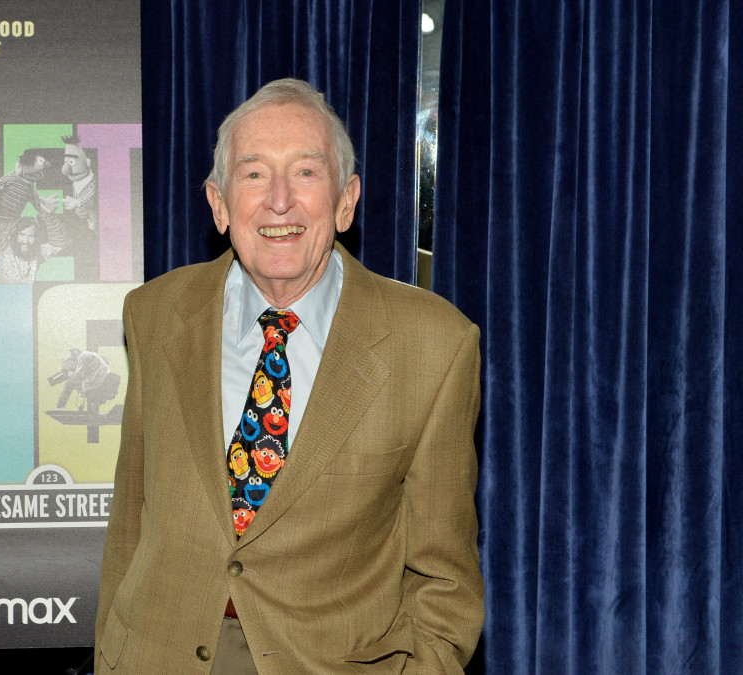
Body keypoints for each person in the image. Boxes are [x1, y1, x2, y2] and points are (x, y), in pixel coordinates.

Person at [95, 79, 483, 673]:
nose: (279, 201)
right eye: (253, 174)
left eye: (305, 172)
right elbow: (131, 518)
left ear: (347, 200)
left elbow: (445, 578)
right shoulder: (154, 314)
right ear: (219, 205)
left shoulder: (434, 346)